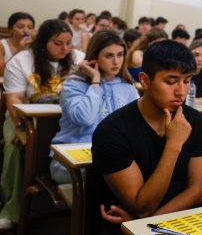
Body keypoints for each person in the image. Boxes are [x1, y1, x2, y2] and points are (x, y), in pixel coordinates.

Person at [91, 40, 202, 235]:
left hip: (171, 219)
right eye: (171, 81)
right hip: (122, 232)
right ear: (145, 81)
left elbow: (197, 189)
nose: (181, 91)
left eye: (187, 81)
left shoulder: (196, 122)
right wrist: (173, 145)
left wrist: (146, 224)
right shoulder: (113, 131)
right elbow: (141, 204)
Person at [0, 19, 84, 229]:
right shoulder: (22, 61)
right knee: (14, 145)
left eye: (68, 43)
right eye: (58, 43)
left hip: (66, 120)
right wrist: (21, 127)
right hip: (27, 119)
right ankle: (12, 209)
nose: (65, 49)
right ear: (43, 42)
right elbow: (14, 100)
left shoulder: (78, 58)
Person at [50, 31, 139, 184]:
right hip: (71, 161)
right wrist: (95, 81)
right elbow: (85, 117)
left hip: (112, 159)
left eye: (120, 54)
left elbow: (137, 127)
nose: (116, 61)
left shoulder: (128, 87)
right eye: (109, 56)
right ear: (95, 56)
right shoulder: (74, 84)